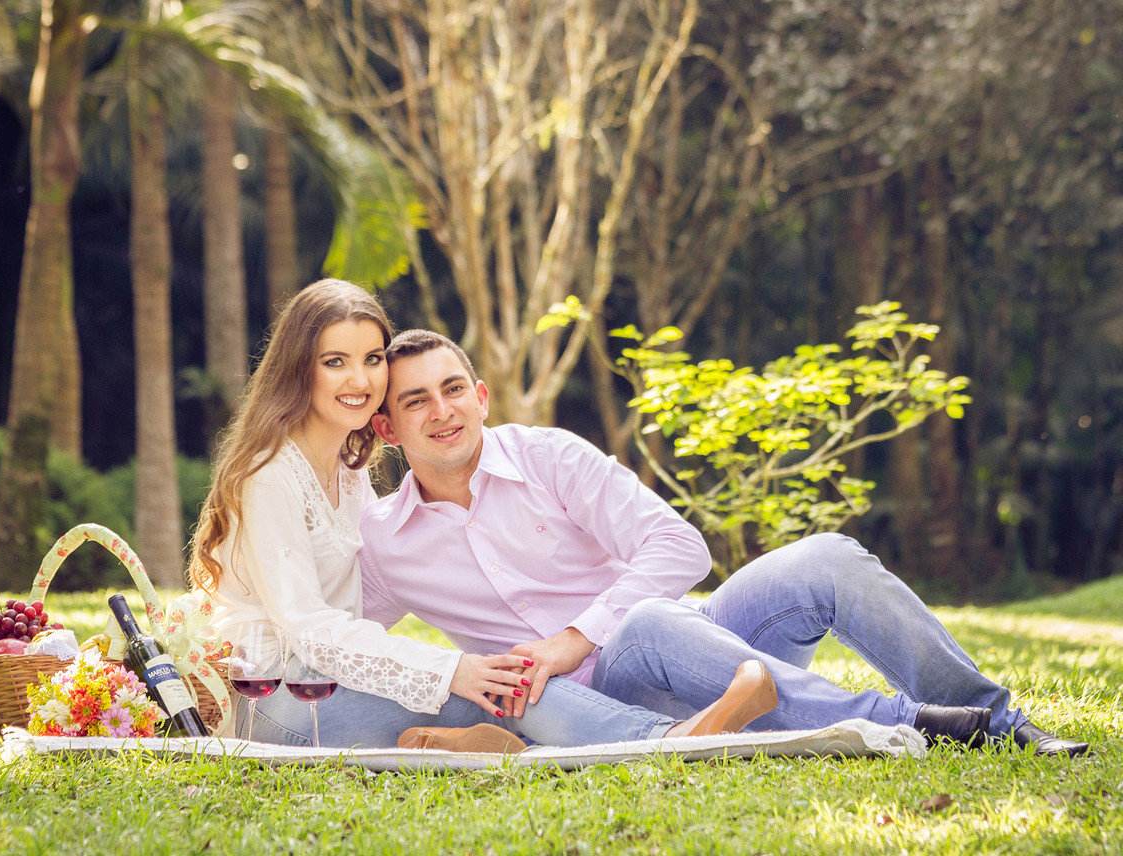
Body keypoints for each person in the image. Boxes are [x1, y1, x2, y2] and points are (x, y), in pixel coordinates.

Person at [358, 329, 1090, 757]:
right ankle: (920, 726)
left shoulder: (549, 457)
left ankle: (1000, 718)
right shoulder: (388, 543)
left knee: (826, 557)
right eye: (416, 400)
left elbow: (679, 548)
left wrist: (575, 636)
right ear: (388, 428)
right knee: (644, 624)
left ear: (481, 396)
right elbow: (344, 636)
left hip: (687, 640)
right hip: (596, 705)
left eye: (453, 389)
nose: (442, 411)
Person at [189, 279, 776, 750]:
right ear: (299, 368)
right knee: (497, 687)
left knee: (500, 684)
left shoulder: (347, 471)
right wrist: (449, 669)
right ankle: (668, 740)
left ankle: (447, 743)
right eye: (335, 361)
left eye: (371, 359)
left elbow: (365, 600)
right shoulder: (269, 477)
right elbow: (309, 627)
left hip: (334, 679)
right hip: (280, 698)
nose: (361, 378)